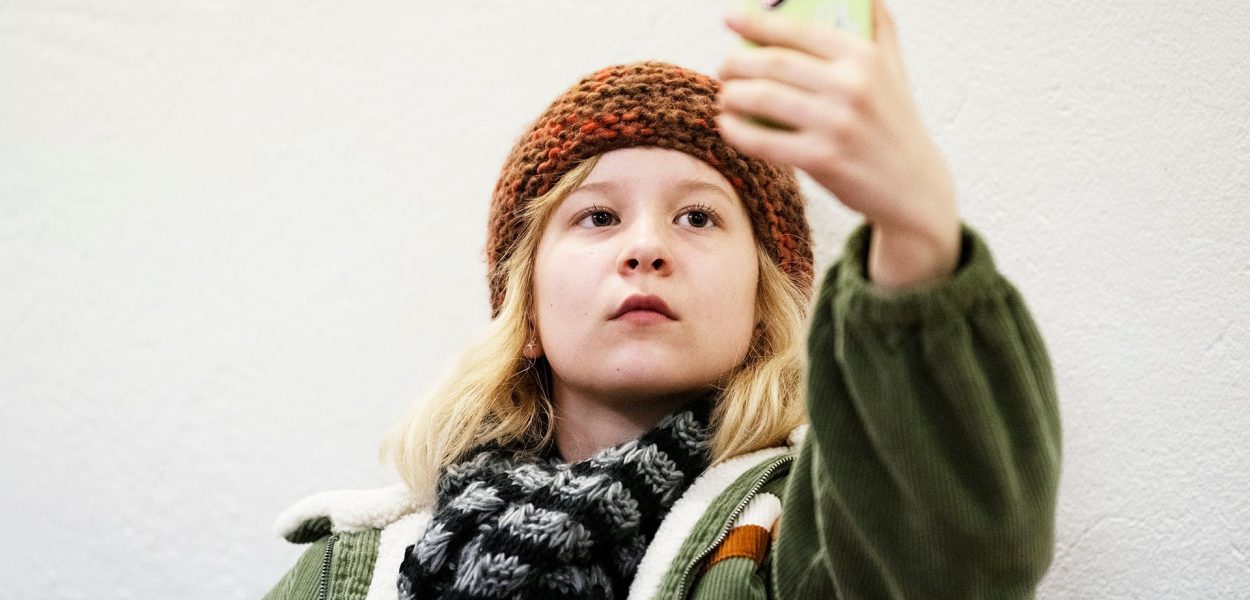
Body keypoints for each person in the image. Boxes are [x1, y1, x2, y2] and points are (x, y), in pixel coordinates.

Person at [263, 2, 1061, 599]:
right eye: (598, 217)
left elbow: (952, 558)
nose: (645, 248)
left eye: (697, 217)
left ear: (762, 304)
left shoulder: (809, 536)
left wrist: (915, 233)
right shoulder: (351, 570)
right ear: (527, 309)